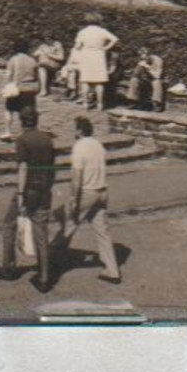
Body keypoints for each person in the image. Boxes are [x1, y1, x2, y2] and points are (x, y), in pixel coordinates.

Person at [0, 107, 58, 291]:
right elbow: (52, 167)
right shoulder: (47, 139)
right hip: (44, 189)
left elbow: (23, 168)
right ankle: (44, 277)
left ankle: (8, 267)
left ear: (21, 121)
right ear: (36, 120)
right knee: (41, 232)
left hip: (28, 189)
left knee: (9, 225)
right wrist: (48, 186)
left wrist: (20, 194)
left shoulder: (23, 140)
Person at [64, 116, 121, 283]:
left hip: (87, 192)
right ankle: (112, 270)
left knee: (68, 225)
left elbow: (77, 176)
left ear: (79, 131)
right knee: (102, 231)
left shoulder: (79, 147)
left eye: (74, 128)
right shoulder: (98, 145)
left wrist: (74, 197)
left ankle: (49, 261)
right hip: (102, 191)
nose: (73, 132)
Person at [72, 14, 119, 110]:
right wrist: (106, 48)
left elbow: (77, 46)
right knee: (99, 82)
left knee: (85, 81)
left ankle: (85, 103)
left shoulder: (83, 32)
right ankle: (100, 104)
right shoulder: (102, 31)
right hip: (99, 56)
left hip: (86, 55)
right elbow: (115, 39)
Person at [2, 39, 41, 141]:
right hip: (30, 89)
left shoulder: (13, 59)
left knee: (9, 110)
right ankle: (26, 132)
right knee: (27, 112)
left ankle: (7, 131)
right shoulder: (32, 60)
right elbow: (37, 76)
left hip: (17, 88)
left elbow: (8, 75)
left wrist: (6, 86)